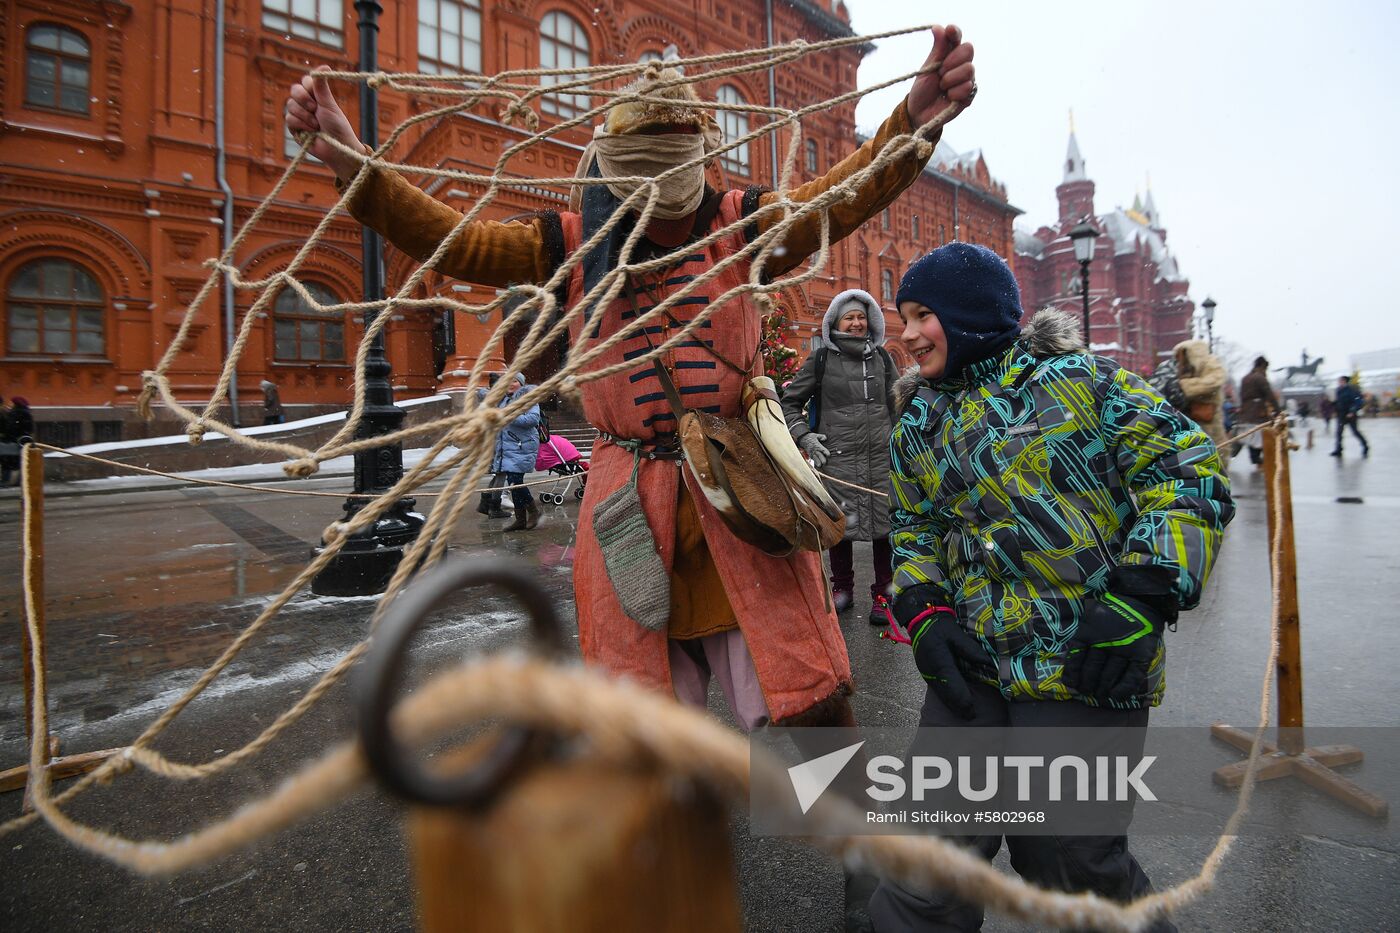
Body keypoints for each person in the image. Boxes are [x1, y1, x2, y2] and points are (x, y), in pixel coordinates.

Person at [283, 29, 977, 739]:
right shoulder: (574, 242)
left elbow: (841, 197)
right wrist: (352, 158)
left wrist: (913, 120)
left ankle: (840, 835)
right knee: (644, 719)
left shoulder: (741, 224)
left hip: (743, 494)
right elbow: (461, 242)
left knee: (798, 696)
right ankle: (677, 839)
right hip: (631, 505)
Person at [867, 243, 1234, 932]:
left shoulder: (1077, 382)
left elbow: (1187, 474)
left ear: (971, 315)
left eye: (923, 315)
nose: (908, 333)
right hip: (971, 664)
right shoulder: (917, 419)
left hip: (1086, 660)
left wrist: (1142, 594)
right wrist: (924, 608)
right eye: (903, 316)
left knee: (1068, 859)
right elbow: (914, 526)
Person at [780, 289, 897, 624]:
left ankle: (883, 595)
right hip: (838, 457)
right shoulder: (821, 359)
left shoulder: (883, 358)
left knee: (882, 527)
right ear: (836, 321)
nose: (857, 323)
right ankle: (842, 588)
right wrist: (805, 436)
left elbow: (899, 405)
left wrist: (902, 443)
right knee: (840, 528)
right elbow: (789, 403)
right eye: (850, 317)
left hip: (880, 457)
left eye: (862, 317)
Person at [480, 374, 543, 530]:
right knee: (513, 482)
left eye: (514, 381)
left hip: (522, 446)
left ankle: (533, 512)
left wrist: (508, 416)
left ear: (521, 383)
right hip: (507, 447)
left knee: (515, 481)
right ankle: (521, 519)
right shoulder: (504, 400)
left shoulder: (529, 398)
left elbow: (532, 420)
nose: (510, 384)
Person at [1171, 338, 1227, 451]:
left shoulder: (1210, 363)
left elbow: (1215, 380)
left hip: (1207, 415)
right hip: (1187, 415)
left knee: (1214, 446)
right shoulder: (1182, 367)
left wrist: (1184, 386)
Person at [1236, 356, 1280, 467]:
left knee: (1251, 436)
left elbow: (1242, 395)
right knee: (1260, 437)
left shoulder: (1245, 378)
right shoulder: (1260, 378)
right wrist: (1278, 411)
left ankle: (1255, 458)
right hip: (1258, 412)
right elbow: (1269, 395)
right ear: (1262, 366)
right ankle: (1258, 460)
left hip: (1246, 411)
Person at [1331, 375, 1369, 458]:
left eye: (1341, 381)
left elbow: (1357, 401)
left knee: (1355, 431)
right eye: (1339, 381)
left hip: (1350, 414)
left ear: (1345, 381)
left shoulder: (1351, 389)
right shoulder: (1338, 390)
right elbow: (1340, 401)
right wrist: (1334, 404)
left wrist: (1352, 411)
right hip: (1341, 414)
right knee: (1339, 432)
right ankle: (1338, 449)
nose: (1339, 383)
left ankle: (1365, 446)